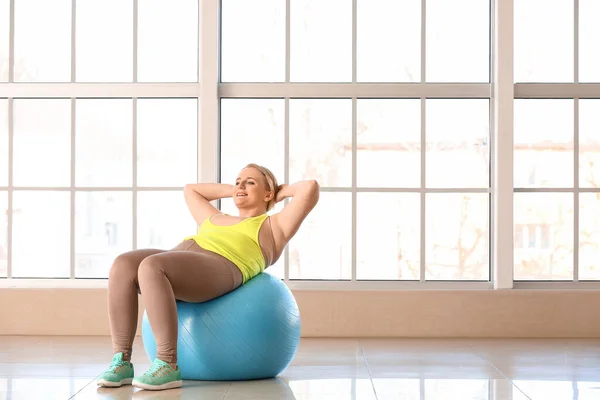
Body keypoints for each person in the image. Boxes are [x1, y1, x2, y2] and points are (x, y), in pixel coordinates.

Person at [96, 163, 320, 391]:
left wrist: (278, 193)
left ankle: (167, 364)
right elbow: (191, 190)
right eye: (238, 181)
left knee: (152, 266)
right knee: (122, 265)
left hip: (220, 267)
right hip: (180, 259)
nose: (241, 185)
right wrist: (236, 189)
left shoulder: (274, 226)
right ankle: (121, 362)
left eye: (250, 182)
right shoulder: (215, 216)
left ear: (268, 194)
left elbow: (309, 189)